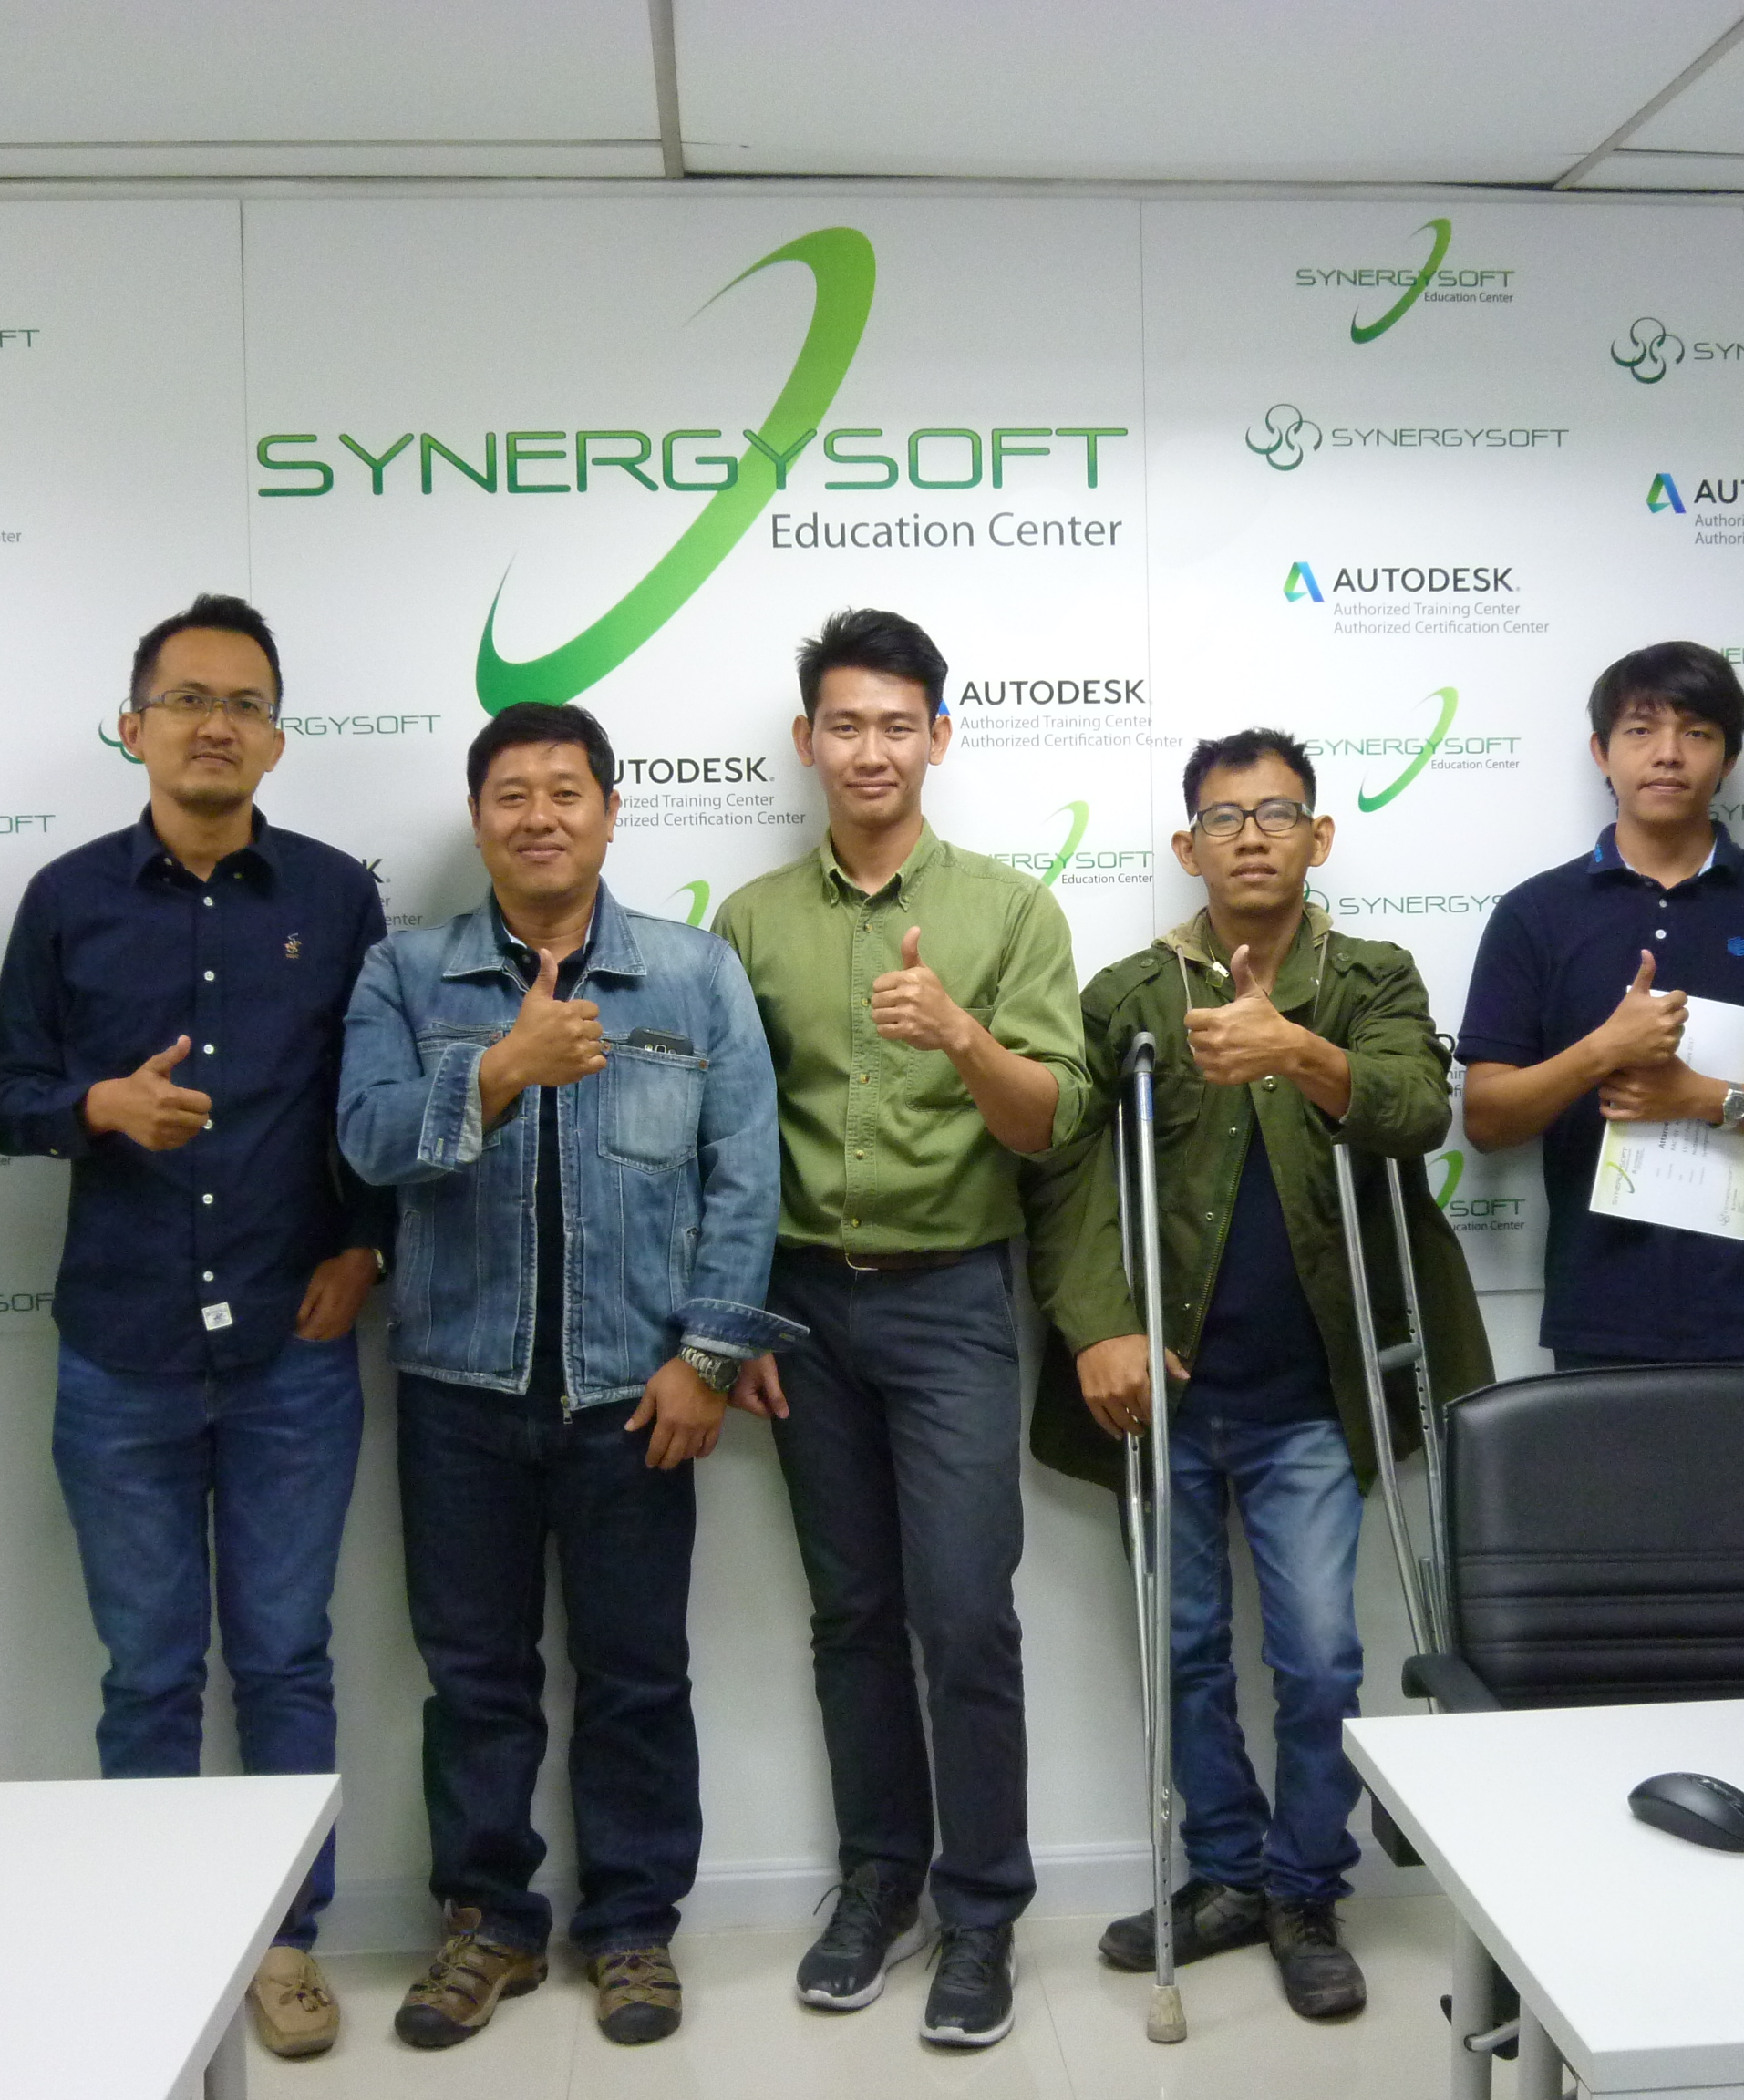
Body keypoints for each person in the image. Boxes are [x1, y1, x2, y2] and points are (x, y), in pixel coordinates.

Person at [336, 701, 794, 2052]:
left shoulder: (694, 975)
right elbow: (367, 1140)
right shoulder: (406, 973)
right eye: (512, 795)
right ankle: (488, 1922)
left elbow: (744, 1175)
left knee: (638, 1674)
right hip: (457, 1390)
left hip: (635, 1394)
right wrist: (495, 1074)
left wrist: (707, 1360)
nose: (540, 816)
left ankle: (634, 1926)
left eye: (566, 791)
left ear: (608, 811)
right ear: (478, 819)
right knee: (474, 1678)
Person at [0, 593, 385, 2061]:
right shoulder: (66, 898)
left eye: (245, 703)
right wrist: (96, 1104)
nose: (217, 725)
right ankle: (152, 1938)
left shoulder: (335, 898)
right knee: (146, 1672)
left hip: (293, 1346)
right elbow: (1, 1098)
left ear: (276, 738)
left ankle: (285, 1943)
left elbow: (376, 1096)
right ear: (133, 724)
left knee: (283, 1659)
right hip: (122, 1351)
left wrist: (367, 1247)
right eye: (188, 699)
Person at [1025, 728, 1494, 2020]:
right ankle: (1226, 1876)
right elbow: (1064, 1172)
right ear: (1189, 846)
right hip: (1169, 1393)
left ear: (1318, 835)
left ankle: (1304, 1887)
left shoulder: (1372, 975)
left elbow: (1416, 1108)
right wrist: (1098, 1326)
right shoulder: (1129, 995)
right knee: (1182, 1651)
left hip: (1314, 1400)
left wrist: (1293, 1048)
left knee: (1323, 1657)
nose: (1251, 836)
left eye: (1277, 812)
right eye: (1225, 818)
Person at [711, 607, 1090, 2050]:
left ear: (938, 736)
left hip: (951, 1305)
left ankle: (982, 1911)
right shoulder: (751, 923)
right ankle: (880, 1881)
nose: (870, 750)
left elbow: (1048, 1123)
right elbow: (730, 1144)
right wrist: (739, 1317)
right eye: (844, 724)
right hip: (803, 1308)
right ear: (806, 740)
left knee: (965, 1614)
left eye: (896, 724)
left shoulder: (1010, 912)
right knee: (854, 1615)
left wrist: (962, 1035)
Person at [1458, 643, 1744, 1369]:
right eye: (1640, 730)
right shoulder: (1537, 913)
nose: (1668, 753)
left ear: (1729, 757)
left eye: (1696, 732)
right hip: (1603, 1314)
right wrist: (1603, 1051)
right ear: (1601, 752)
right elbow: (1488, 1120)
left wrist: (1704, 1098)